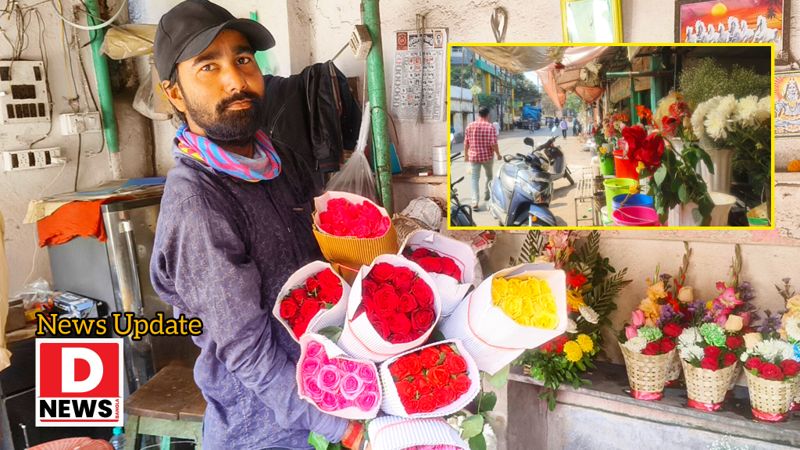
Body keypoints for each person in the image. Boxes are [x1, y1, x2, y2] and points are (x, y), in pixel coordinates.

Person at [149, 1, 364, 448]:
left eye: (243, 59)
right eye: (208, 66)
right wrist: (340, 428)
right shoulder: (198, 200)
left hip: (329, 381)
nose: (235, 79)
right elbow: (246, 351)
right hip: (265, 427)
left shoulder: (280, 160)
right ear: (174, 93)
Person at [464, 107, 501, 210]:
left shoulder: (470, 126)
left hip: (474, 157)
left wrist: (466, 155)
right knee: (489, 176)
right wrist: (498, 154)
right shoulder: (490, 127)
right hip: (487, 157)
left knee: (474, 179)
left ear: (478, 114)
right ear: (487, 115)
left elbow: (466, 143)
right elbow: (493, 144)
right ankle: (487, 195)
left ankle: (475, 201)